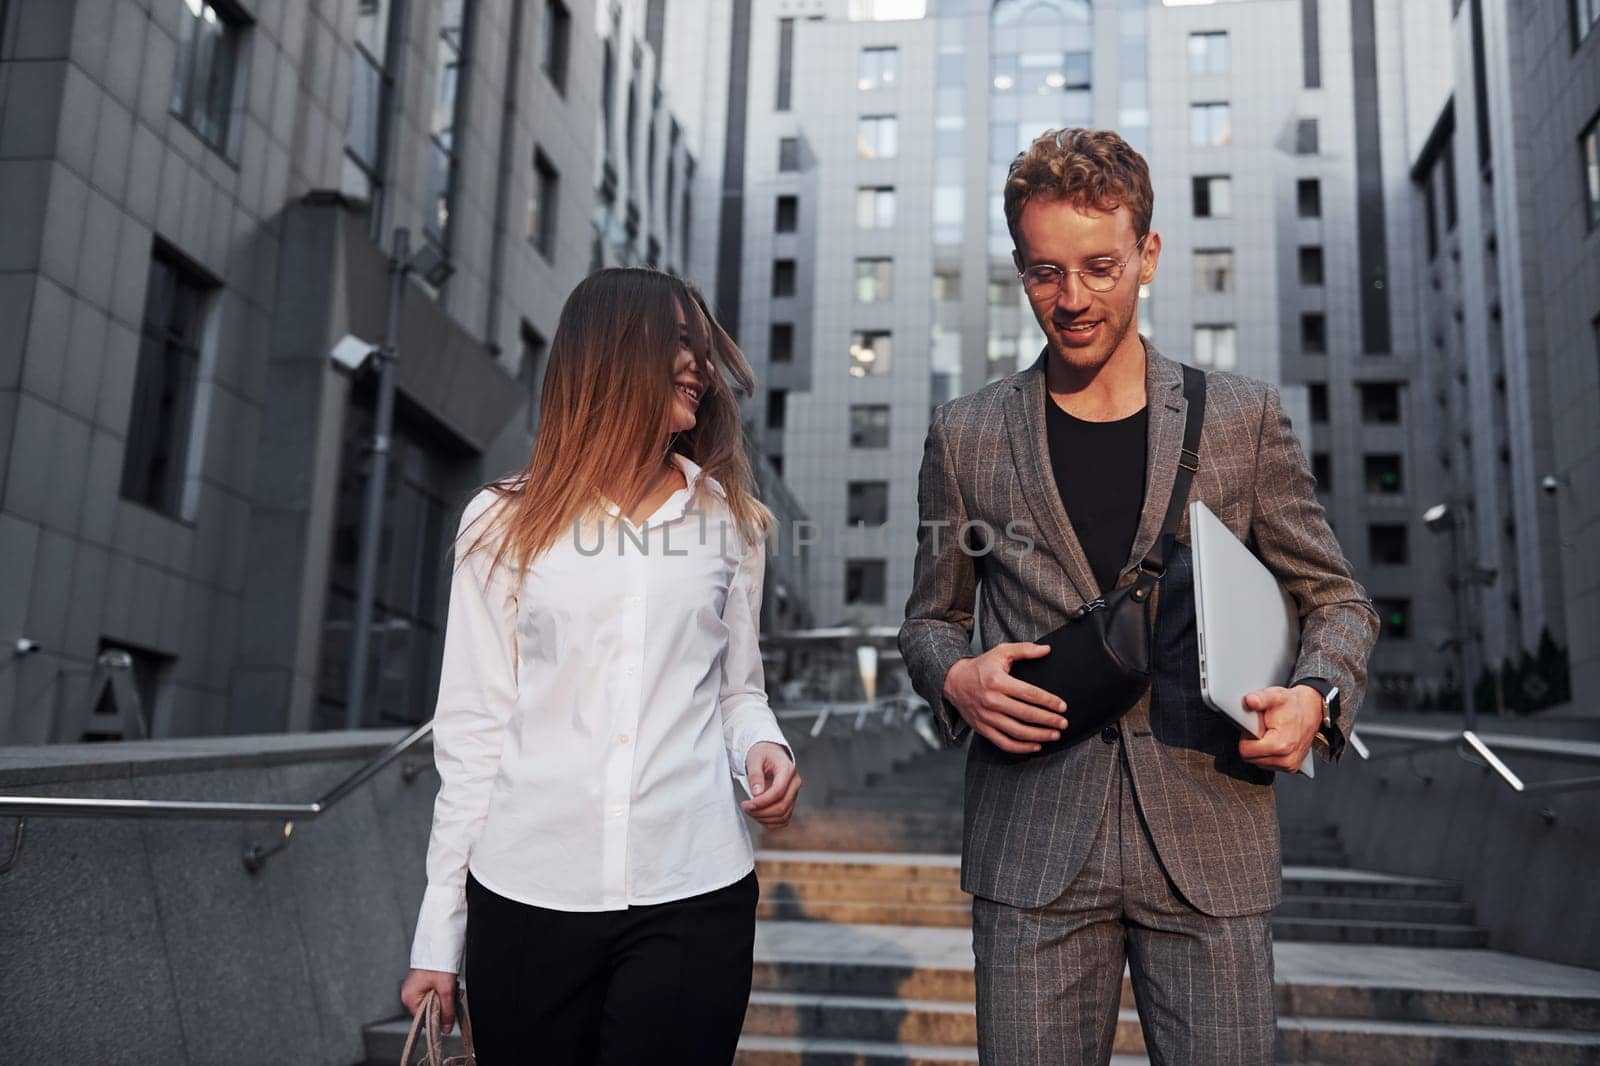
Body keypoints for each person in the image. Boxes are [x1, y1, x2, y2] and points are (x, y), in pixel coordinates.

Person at [898, 128, 1380, 1065]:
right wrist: (956, 681)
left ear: (1148, 255)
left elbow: (1338, 601)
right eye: (1044, 273)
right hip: (1031, 851)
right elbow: (930, 620)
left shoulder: (1243, 418)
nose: (1071, 299)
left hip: (1211, 840)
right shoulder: (965, 436)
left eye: (1099, 266)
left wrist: (1316, 698)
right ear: (1019, 267)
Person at [400, 267, 801, 1065]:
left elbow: (736, 692)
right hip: (527, 892)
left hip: (695, 886)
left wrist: (764, 747)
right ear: (613, 354)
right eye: (678, 343)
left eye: (702, 348)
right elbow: (475, 733)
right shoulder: (500, 522)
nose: (701, 366)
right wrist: (437, 933)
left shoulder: (733, 524)